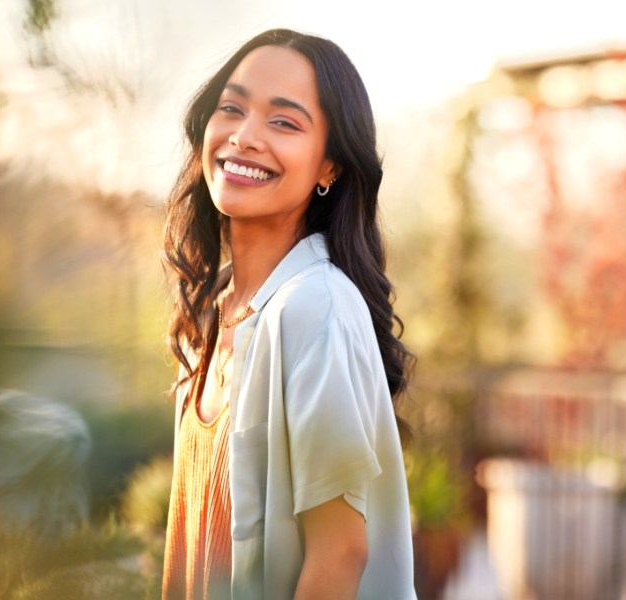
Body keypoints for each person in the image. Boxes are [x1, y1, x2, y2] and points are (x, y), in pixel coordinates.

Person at [161, 28, 416, 600]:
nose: (245, 137)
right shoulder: (212, 311)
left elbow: (340, 555)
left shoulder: (312, 307)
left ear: (330, 167)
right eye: (231, 108)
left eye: (284, 122)